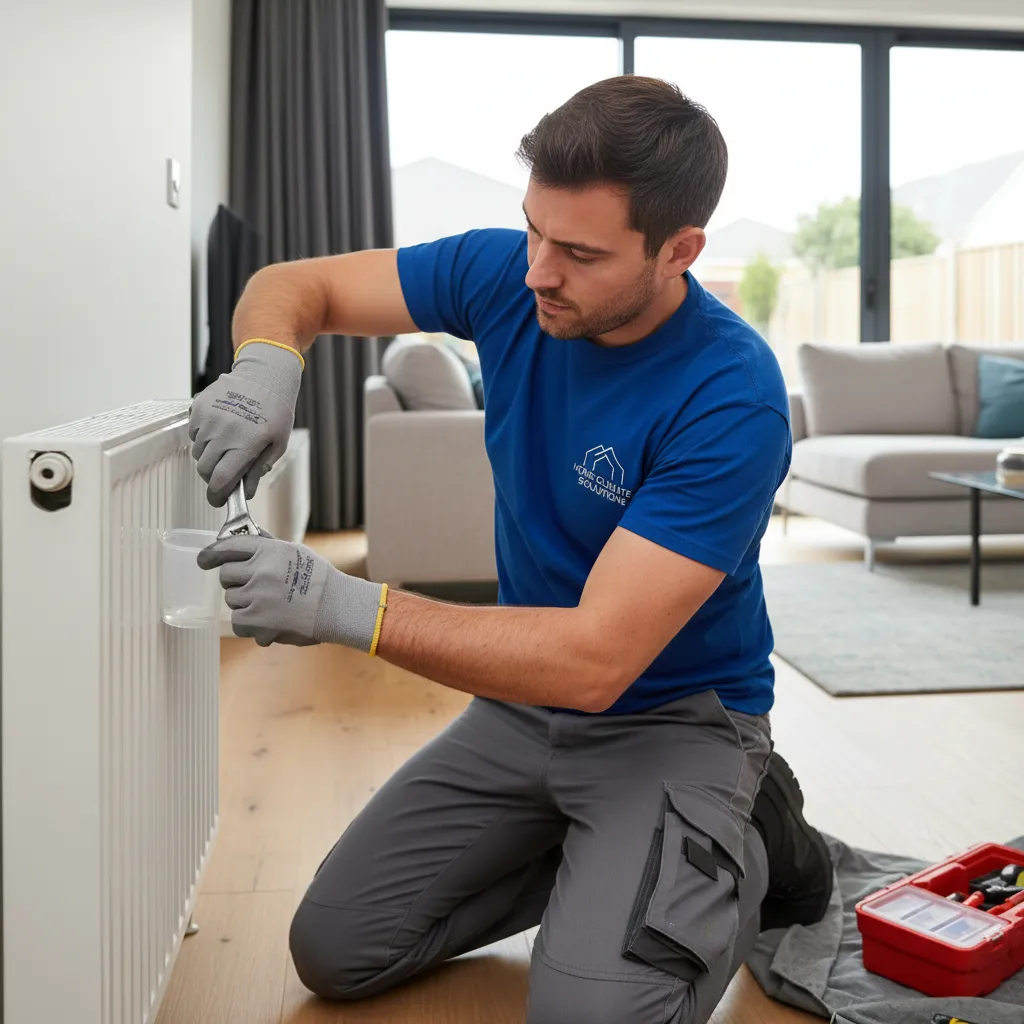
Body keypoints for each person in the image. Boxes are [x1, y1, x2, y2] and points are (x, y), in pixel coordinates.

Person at [190, 75, 833, 1023]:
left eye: (578, 252)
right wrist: (267, 363)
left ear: (680, 250)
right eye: (533, 228)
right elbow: (295, 285)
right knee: (336, 949)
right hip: (525, 710)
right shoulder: (509, 277)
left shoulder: (730, 394)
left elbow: (597, 659)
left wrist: (345, 606)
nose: (538, 270)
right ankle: (604, 860)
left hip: (672, 716)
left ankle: (753, 841)